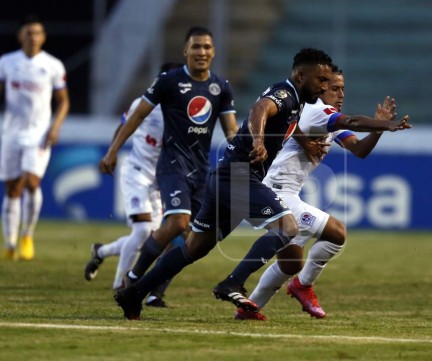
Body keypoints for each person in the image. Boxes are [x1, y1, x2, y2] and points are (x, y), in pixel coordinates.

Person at [113, 47, 335, 320]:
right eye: (321, 80)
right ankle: (233, 281)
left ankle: (133, 292)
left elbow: (283, 121)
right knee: (287, 226)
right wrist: (257, 140)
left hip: (225, 177)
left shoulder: (297, 100)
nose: (325, 87)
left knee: (194, 248)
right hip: (238, 176)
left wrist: (302, 141)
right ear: (301, 76)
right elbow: (259, 109)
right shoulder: (286, 93)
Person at [235, 66, 412, 320]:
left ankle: (248, 309)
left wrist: (378, 129)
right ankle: (303, 286)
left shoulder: (325, 117)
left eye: (343, 89)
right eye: (334, 89)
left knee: (290, 264)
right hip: (277, 192)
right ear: (320, 89)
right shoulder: (319, 111)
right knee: (337, 232)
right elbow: (351, 121)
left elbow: (359, 150)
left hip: (286, 193)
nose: (340, 94)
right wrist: (385, 124)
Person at [98, 26, 238, 294]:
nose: (202, 52)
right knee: (177, 222)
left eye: (207, 47)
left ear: (214, 51)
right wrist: (113, 150)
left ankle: (152, 289)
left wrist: (247, 156)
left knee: (195, 239)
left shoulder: (220, 87)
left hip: (200, 169)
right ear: (185, 50)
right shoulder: (168, 81)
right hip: (172, 164)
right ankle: (133, 277)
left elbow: (231, 131)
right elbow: (137, 116)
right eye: (196, 46)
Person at [84, 63, 183, 307]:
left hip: (161, 180)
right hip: (136, 171)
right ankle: (120, 285)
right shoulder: (144, 103)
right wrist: (112, 151)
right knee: (141, 231)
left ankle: (101, 252)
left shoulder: (182, 110)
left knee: (152, 237)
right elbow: (124, 124)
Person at [0, 15, 70, 260]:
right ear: (21, 36)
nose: (32, 37)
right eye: (28, 33)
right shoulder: (7, 63)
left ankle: (27, 235)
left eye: (37, 33)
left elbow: (63, 102)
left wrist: (55, 127)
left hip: (39, 133)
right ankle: (9, 243)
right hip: (10, 132)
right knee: (12, 188)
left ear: (43, 37)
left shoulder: (52, 65)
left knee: (31, 182)